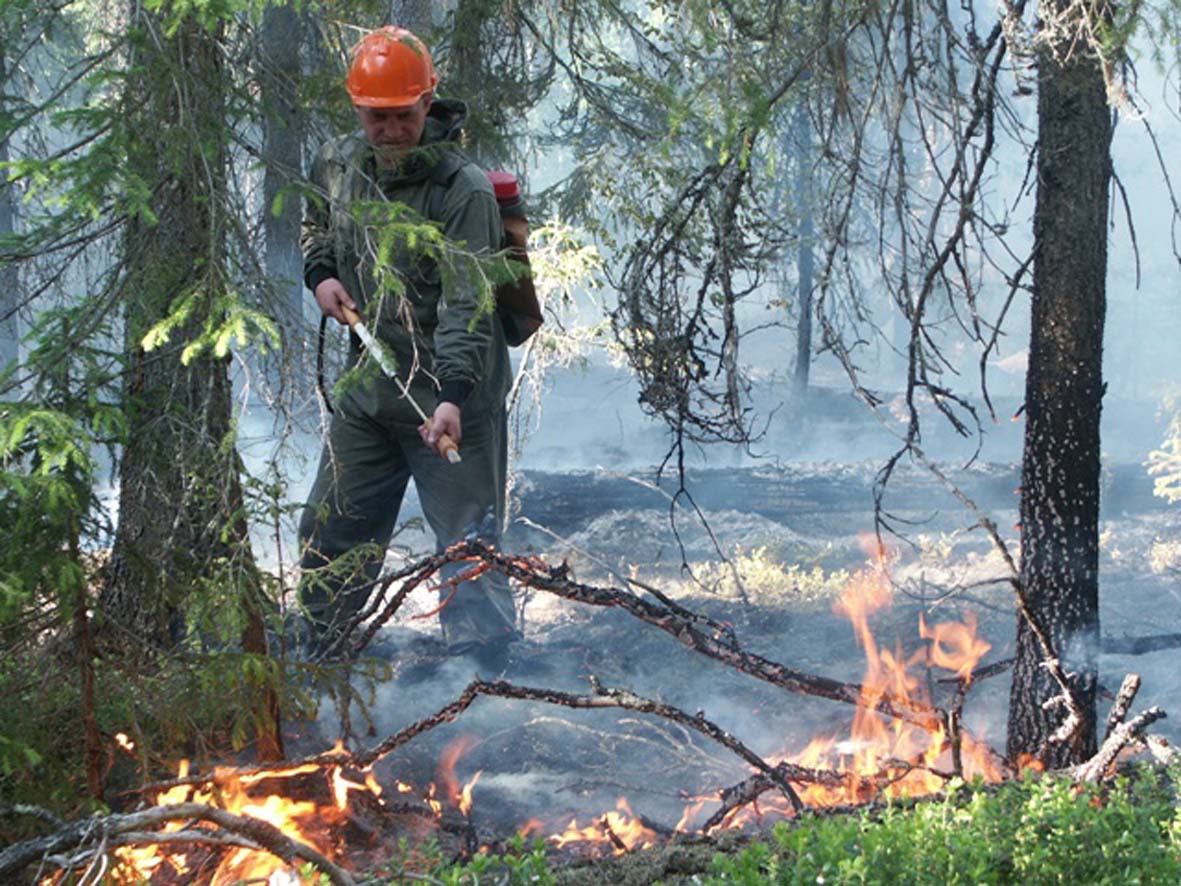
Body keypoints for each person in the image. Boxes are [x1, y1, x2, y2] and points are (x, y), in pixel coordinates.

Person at [298, 26, 519, 667]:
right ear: (357, 110)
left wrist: (451, 395)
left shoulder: (464, 191)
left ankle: (489, 682)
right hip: (369, 393)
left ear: (428, 104)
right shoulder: (338, 164)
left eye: (402, 116)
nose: (390, 131)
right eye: (376, 118)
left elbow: (467, 305)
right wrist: (322, 275)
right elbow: (315, 223)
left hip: (456, 402)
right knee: (329, 529)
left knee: (467, 549)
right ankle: (324, 661)